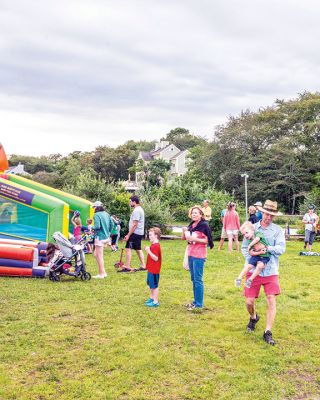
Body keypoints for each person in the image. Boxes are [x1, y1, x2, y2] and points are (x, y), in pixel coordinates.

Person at [241, 200, 286, 345]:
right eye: (267, 214)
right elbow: (244, 247)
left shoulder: (278, 230)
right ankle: (254, 317)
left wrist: (267, 249)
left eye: (272, 216)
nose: (269, 218)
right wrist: (253, 256)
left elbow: (281, 249)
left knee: (271, 299)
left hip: (271, 270)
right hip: (254, 270)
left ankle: (267, 332)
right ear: (262, 213)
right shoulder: (251, 228)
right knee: (249, 301)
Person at [182, 205, 214, 311]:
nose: (194, 214)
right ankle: (195, 302)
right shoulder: (191, 225)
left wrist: (193, 238)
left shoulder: (204, 225)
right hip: (191, 253)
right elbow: (184, 238)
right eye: (193, 213)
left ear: (201, 214)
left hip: (199, 255)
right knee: (193, 279)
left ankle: (199, 305)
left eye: (196, 213)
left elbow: (207, 241)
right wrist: (184, 231)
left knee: (198, 279)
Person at [235, 221, 271, 288]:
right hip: (257, 255)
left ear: (252, 230)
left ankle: (250, 280)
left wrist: (249, 246)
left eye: (246, 232)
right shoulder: (249, 240)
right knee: (249, 266)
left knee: (260, 266)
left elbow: (257, 239)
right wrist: (259, 253)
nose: (245, 235)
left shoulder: (258, 233)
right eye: (243, 234)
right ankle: (239, 278)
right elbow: (251, 253)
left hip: (265, 256)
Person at [118, 195, 145, 272]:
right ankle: (143, 265)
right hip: (138, 233)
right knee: (138, 249)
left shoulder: (137, 210)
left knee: (128, 248)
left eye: (130, 201)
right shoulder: (140, 209)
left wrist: (128, 235)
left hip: (135, 233)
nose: (129, 203)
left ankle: (127, 267)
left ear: (134, 202)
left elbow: (135, 225)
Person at [92, 200, 114, 279]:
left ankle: (101, 274)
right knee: (96, 255)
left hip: (99, 237)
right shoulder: (107, 214)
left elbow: (97, 226)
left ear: (96, 207)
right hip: (106, 237)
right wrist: (108, 232)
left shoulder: (96, 215)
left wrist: (91, 227)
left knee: (99, 256)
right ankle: (103, 272)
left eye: (94, 207)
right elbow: (112, 224)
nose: (93, 209)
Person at [144, 227, 162, 308]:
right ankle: (151, 298)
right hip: (151, 269)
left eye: (151, 235)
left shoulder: (156, 246)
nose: (149, 236)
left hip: (154, 270)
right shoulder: (153, 245)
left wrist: (148, 251)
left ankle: (155, 301)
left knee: (154, 286)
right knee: (151, 285)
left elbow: (155, 258)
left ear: (156, 236)